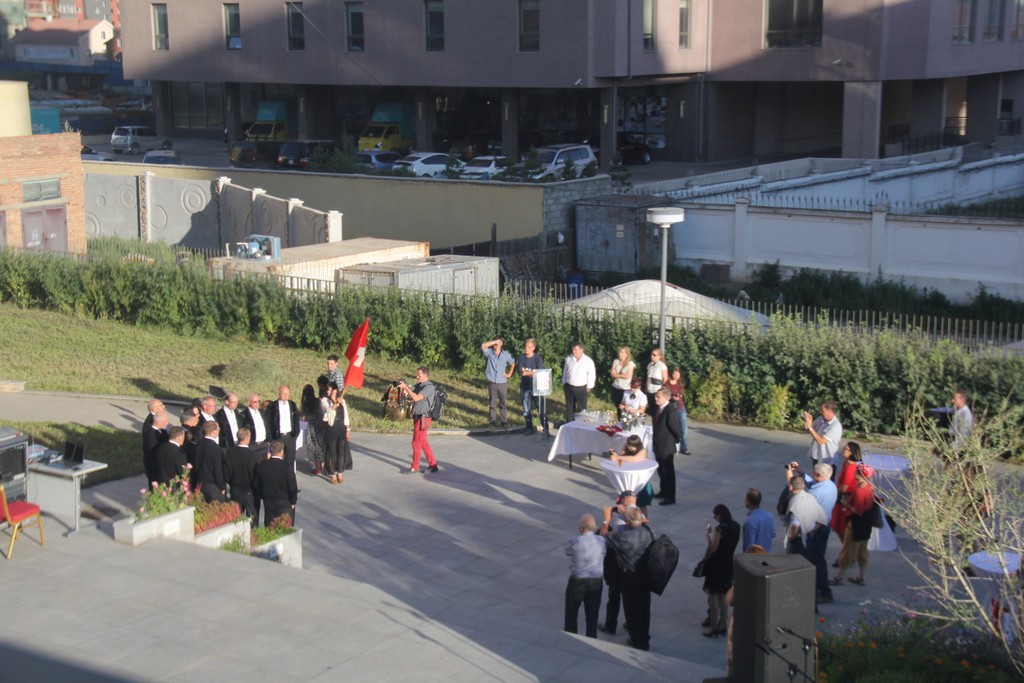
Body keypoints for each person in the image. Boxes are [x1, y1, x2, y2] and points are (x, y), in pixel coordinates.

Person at [599, 505, 654, 651]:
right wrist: (628, 513)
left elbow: (602, 537)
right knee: (644, 607)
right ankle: (644, 637)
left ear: (628, 522)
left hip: (630, 575)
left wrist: (606, 520)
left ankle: (638, 642)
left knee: (632, 609)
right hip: (644, 575)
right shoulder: (648, 531)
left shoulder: (624, 537)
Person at [598, 491, 643, 636]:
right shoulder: (641, 521)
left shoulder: (622, 527)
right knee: (632, 599)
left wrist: (606, 521)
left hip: (619, 563)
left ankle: (610, 625)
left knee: (615, 594)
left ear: (623, 500)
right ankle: (632, 624)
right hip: (635, 565)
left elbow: (603, 538)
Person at [831, 464, 876, 586]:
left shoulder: (859, 491)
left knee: (847, 550)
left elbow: (857, 510)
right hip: (866, 524)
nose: (855, 475)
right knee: (862, 550)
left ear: (861, 476)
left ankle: (838, 577)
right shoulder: (870, 487)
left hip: (856, 524)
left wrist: (846, 503)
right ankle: (861, 577)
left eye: (857, 473)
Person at [563, 513, 606, 638]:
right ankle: (591, 638)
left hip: (578, 581)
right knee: (593, 614)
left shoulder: (575, 541)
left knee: (572, 612)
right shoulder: (601, 541)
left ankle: (571, 638)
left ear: (581, 529)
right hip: (596, 582)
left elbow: (567, 552)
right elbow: (604, 552)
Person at [702, 503, 740, 638]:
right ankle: (723, 625)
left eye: (715, 515)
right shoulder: (736, 527)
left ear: (720, 515)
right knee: (724, 595)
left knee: (713, 596)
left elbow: (713, 548)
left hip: (716, 566)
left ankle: (713, 627)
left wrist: (707, 535)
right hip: (728, 565)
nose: (714, 517)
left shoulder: (719, 530)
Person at [398, 367, 439, 474]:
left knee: (416, 443)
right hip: (419, 417)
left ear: (425, 376)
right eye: (416, 375)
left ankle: (414, 467)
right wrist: (403, 387)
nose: (417, 377)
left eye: (419, 375)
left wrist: (406, 388)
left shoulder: (428, 387)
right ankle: (433, 465)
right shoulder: (419, 385)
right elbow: (408, 393)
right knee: (423, 442)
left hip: (423, 418)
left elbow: (416, 398)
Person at [807, 463, 837, 603]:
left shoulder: (815, 493)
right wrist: (801, 473)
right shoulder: (831, 486)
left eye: (814, 473)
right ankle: (820, 588)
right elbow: (813, 484)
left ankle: (824, 591)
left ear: (818, 475)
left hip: (816, 528)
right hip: (825, 526)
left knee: (817, 559)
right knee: (818, 557)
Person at [255, 440, 298, 526]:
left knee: (269, 526)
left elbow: (257, 485)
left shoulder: (262, 466)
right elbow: (292, 487)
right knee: (284, 528)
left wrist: (263, 496)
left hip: (268, 502)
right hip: (284, 503)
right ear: (282, 451)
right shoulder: (287, 467)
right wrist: (293, 501)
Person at [651, 388, 682, 506]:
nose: (655, 398)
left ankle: (670, 496)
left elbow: (675, 429)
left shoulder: (670, 411)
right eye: (656, 396)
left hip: (666, 446)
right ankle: (663, 491)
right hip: (658, 444)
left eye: (658, 396)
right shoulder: (658, 409)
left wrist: (676, 440)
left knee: (668, 471)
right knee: (661, 470)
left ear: (666, 398)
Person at [608, 435, 654, 513]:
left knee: (642, 504)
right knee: (627, 502)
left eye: (632, 446)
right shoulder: (626, 448)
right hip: (628, 478)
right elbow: (621, 461)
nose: (629, 447)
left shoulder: (643, 451)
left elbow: (634, 459)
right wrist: (615, 455)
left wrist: (618, 457)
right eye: (628, 445)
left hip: (639, 479)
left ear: (638, 445)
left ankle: (644, 519)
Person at [224, 427, 260, 519]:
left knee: (235, 516)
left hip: (234, 489)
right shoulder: (251, 455)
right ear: (247, 438)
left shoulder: (230, 452)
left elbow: (226, 471)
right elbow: (253, 475)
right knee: (251, 516)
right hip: (247, 490)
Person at [481, 338, 515, 430]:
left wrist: (509, 373)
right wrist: (494, 341)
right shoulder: (490, 353)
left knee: (503, 403)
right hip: (492, 382)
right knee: (492, 403)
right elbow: (483, 346)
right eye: (494, 344)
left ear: (501, 344)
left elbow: (512, 362)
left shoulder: (505, 354)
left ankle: (504, 422)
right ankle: (492, 422)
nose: (495, 346)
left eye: (497, 344)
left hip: (502, 382)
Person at [517, 337, 548, 435]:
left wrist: (527, 371)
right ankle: (529, 427)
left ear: (533, 348)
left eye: (529, 347)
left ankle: (545, 427)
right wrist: (532, 372)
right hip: (525, 385)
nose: (526, 349)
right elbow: (521, 372)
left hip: (536, 385)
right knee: (526, 408)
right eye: (525, 347)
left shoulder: (538, 358)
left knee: (540, 407)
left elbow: (540, 372)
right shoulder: (521, 358)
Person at [265, 385, 301, 471]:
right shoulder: (272, 406)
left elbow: (296, 420)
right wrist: (270, 438)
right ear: (279, 394)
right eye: (283, 394)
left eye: (287, 394)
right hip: (278, 437)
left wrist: (295, 434)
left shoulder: (292, 404)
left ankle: (289, 475)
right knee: (276, 459)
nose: (285, 396)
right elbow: (268, 422)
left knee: (290, 460)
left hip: (290, 436)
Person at [322, 381, 351, 484]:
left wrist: (348, 429)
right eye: (328, 390)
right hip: (331, 427)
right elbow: (328, 410)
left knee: (341, 450)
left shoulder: (342, 400)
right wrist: (335, 403)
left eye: (331, 390)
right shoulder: (324, 400)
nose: (329, 392)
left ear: (335, 390)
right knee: (331, 450)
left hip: (341, 427)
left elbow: (346, 415)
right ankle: (332, 474)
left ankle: (340, 472)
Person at [561, 342, 596, 424]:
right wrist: (564, 381)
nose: (574, 352)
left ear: (581, 350)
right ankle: (569, 424)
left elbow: (591, 375)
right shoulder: (568, 359)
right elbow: (565, 371)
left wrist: (589, 387)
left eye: (575, 350)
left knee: (582, 408)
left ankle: (582, 425)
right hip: (569, 386)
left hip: (581, 387)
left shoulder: (588, 361)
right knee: (569, 407)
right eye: (573, 350)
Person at [804, 401, 842, 474]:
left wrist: (810, 427)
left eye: (822, 411)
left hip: (827, 461)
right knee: (816, 478)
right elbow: (809, 430)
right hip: (817, 456)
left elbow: (821, 441)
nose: (820, 412)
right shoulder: (821, 419)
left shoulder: (835, 426)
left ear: (830, 411)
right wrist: (807, 421)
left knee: (825, 480)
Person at [193, 420, 227, 502]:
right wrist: (222, 486)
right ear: (213, 431)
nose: (219, 431)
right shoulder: (216, 448)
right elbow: (218, 469)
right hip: (211, 485)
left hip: (198, 483)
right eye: (218, 429)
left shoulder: (197, 445)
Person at [664, 366, 690, 455]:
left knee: (684, 429)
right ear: (671, 374)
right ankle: (671, 446)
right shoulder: (667, 384)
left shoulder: (680, 383)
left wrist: (680, 395)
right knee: (672, 427)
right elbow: (665, 395)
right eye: (674, 374)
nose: (676, 376)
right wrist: (672, 397)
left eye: (678, 375)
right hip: (671, 408)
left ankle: (684, 447)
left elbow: (682, 393)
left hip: (680, 407)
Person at [300, 383, 325, 475]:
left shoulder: (305, 404)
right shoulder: (318, 401)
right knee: (321, 446)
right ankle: (322, 467)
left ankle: (317, 469)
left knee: (314, 447)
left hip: (311, 426)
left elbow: (304, 417)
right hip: (320, 425)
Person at [741, 488, 776, 552]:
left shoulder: (749, 522)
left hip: (754, 556)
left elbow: (749, 546)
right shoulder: (769, 516)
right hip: (767, 553)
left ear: (748, 502)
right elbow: (773, 534)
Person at [143, 410, 169, 490]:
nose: (167, 423)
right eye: (166, 422)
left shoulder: (161, 431)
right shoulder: (151, 435)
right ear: (158, 423)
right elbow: (152, 453)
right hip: (154, 468)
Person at [609, 346, 635, 417]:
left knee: (624, 407)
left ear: (626, 354)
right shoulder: (616, 361)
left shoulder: (630, 363)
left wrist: (617, 375)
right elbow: (612, 373)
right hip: (616, 387)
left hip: (625, 388)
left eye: (622, 352)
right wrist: (621, 375)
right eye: (620, 352)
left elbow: (627, 376)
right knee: (617, 406)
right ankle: (618, 420)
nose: (620, 354)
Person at [645, 348, 669, 417]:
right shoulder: (650, 364)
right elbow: (648, 377)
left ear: (659, 356)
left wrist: (661, 391)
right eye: (651, 354)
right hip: (650, 390)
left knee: (657, 411)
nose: (652, 356)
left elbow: (665, 379)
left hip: (657, 390)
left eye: (654, 355)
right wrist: (646, 388)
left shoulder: (662, 366)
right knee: (651, 411)